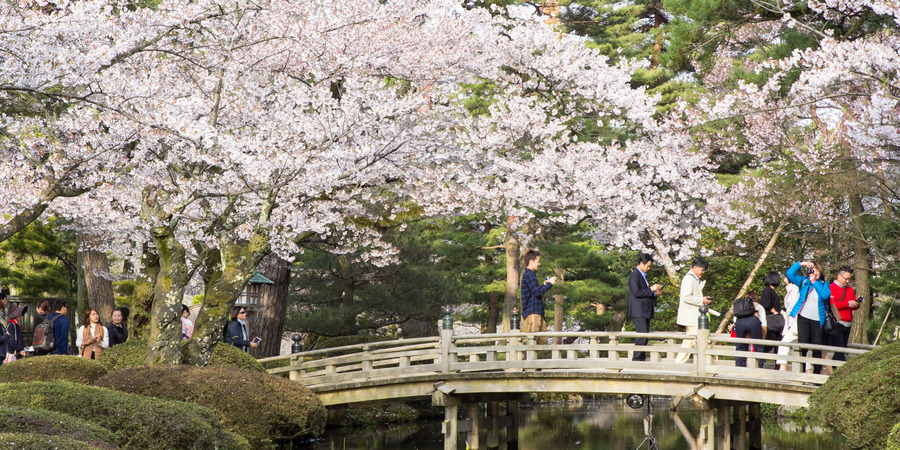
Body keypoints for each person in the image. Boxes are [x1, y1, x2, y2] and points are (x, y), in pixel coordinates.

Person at [786, 261, 833, 374]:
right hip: (803, 319)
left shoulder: (823, 284)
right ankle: (802, 374)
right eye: (812, 270)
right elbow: (790, 274)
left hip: (818, 320)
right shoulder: (803, 282)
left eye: (816, 270)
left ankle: (817, 376)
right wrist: (802, 263)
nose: (814, 272)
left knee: (817, 349)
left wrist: (814, 282)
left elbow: (825, 295)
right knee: (803, 347)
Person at [675, 257, 712, 363]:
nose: (703, 272)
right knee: (694, 340)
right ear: (695, 267)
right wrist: (701, 300)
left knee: (690, 340)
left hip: (693, 315)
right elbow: (686, 297)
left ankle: (681, 362)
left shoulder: (694, 279)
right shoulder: (689, 279)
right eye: (702, 269)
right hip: (690, 315)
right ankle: (681, 362)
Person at [628, 253, 662, 361]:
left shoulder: (642, 276)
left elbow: (644, 293)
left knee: (645, 336)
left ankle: (641, 358)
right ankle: (637, 359)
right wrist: (651, 289)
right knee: (642, 335)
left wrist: (655, 294)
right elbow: (637, 293)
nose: (649, 268)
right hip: (638, 311)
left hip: (644, 310)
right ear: (641, 264)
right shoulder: (634, 275)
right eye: (647, 266)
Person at [519, 249, 556, 344]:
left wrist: (544, 285)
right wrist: (550, 283)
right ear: (531, 262)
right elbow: (538, 292)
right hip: (532, 312)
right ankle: (526, 358)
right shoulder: (529, 274)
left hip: (537, 312)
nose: (539, 264)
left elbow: (535, 291)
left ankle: (532, 358)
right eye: (538, 261)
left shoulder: (531, 274)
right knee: (532, 339)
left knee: (542, 339)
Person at [829, 266, 860, 363]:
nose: (847, 281)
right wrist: (848, 303)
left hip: (848, 323)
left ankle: (835, 367)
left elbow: (854, 307)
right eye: (846, 279)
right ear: (839, 276)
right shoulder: (831, 288)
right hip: (838, 322)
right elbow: (833, 305)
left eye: (849, 279)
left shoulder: (850, 289)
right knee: (840, 348)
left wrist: (856, 303)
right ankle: (838, 368)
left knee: (842, 348)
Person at [734, 291, 764, 367]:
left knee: (740, 346)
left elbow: (735, 320)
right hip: (754, 322)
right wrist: (763, 338)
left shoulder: (740, 306)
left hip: (739, 322)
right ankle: (759, 366)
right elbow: (764, 324)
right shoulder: (758, 306)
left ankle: (740, 366)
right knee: (758, 345)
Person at [777, 277, 800, 371]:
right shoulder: (791, 289)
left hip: (794, 320)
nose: (784, 279)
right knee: (802, 346)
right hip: (791, 320)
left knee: (784, 343)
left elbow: (793, 307)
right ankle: (808, 370)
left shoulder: (795, 289)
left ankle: (782, 367)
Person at [760, 271, 783, 347]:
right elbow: (766, 304)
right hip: (771, 319)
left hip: (773, 320)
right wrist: (775, 312)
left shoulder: (770, 290)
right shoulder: (767, 290)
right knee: (771, 342)